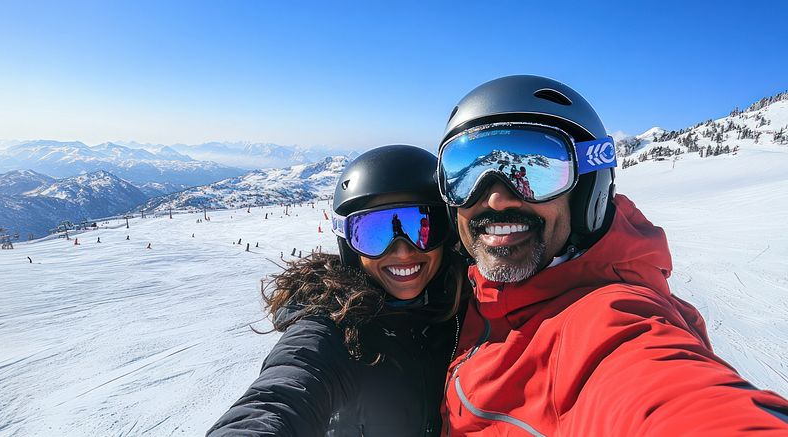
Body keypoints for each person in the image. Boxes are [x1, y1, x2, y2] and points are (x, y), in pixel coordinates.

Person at [435, 75, 788, 435]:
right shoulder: (467, 293)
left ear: (590, 192)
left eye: (536, 174)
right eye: (467, 173)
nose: (495, 198)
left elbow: (663, 394)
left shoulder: (610, 321)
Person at [209, 145, 467, 436]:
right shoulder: (336, 329)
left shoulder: (469, 309)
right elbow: (280, 395)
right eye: (374, 232)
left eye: (423, 225)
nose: (404, 251)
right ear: (349, 245)